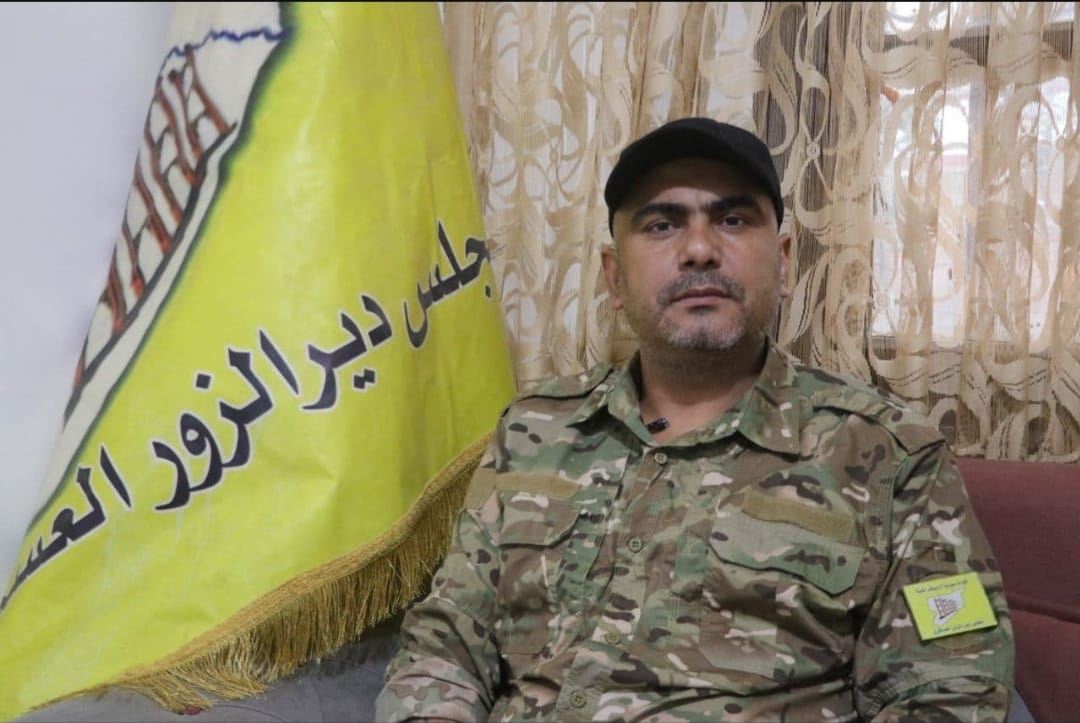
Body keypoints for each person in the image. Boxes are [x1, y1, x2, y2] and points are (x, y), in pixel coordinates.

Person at [375, 117, 1015, 722]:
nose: (701, 250)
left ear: (783, 260)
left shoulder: (889, 454)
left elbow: (949, 689)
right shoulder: (534, 430)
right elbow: (448, 639)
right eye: (661, 225)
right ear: (613, 277)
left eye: (732, 220)